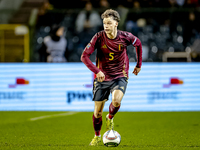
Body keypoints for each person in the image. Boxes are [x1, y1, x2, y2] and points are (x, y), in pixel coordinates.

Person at [81, 9, 142, 146]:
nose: (106, 26)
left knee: (116, 100)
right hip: (102, 78)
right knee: (97, 113)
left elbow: (138, 43)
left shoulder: (125, 36)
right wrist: (97, 71)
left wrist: (138, 64)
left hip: (120, 75)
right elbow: (84, 56)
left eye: (109, 23)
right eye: (104, 23)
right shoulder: (98, 37)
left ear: (116, 23)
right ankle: (97, 136)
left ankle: (110, 117)